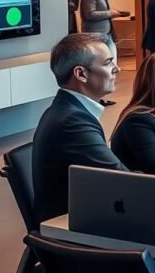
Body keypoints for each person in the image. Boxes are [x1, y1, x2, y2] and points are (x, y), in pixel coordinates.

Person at [32, 33, 127, 223]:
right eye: (108, 63)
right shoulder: (72, 121)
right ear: (81, 74)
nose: (117, 68)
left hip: (85, 213)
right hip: (73, 228)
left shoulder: (67, 109)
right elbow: (123, 180)